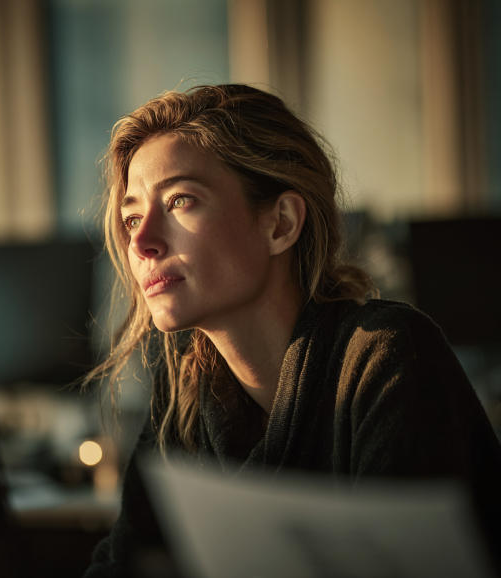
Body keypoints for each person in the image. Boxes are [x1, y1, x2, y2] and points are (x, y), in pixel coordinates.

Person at [82, 84, 501, 577]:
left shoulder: (389, 356)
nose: (143, 242)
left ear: (280, 223)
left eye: (179, 201)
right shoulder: (186, 390)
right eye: (131, 218)